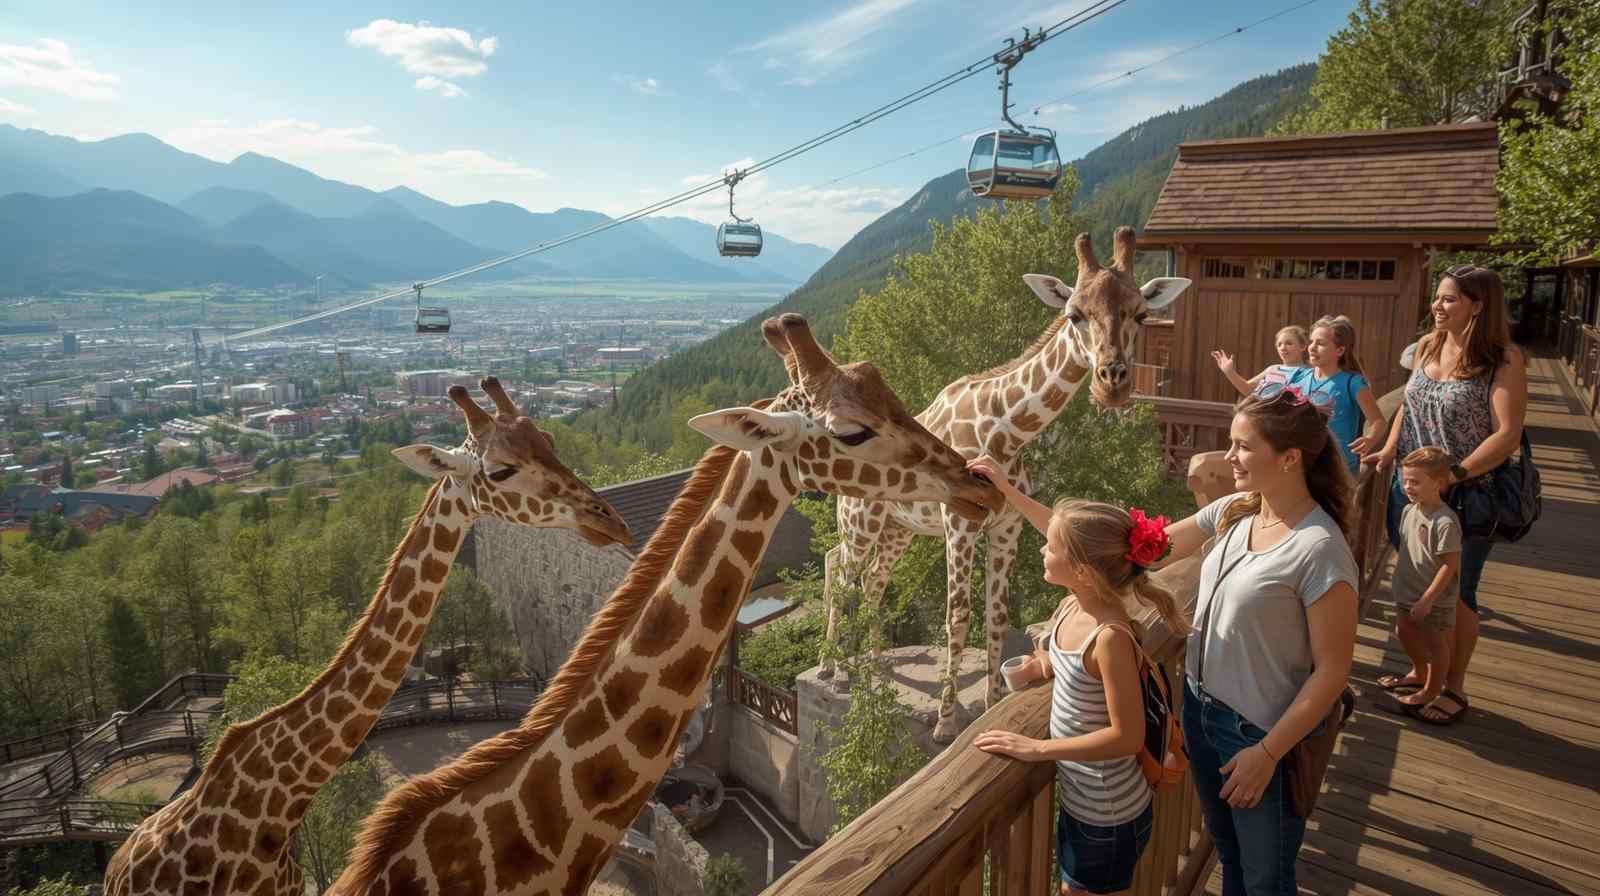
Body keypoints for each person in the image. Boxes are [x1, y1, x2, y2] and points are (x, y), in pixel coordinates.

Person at [1156, 385, 1359, 896]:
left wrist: (1267, 754)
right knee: (1231, 855)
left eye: (1243, 446)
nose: (1229, 456)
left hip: (1260, 736)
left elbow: (1333, 672)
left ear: (1290, 458)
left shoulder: (1320, 549)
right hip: (1201, 712)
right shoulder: (1237, 510)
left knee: (1266, 879)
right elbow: (1149, 549)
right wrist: (1055, 524)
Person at [963, 483, 1186, 896]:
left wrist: (1038, 749)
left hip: (1109, 814)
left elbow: (1127, 737)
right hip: (1084, 802)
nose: (1042, 550)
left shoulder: (1110, 637)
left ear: (1083, 571)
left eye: (1051, 547)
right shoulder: (1071, 606)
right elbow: (1069, 662)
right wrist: (1041, 665)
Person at [1366, 264, 1528, 726]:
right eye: (1437, 297)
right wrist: (1390, 449)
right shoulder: (1427, 346)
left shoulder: (1503, 359)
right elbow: (1409, 404)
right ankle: (1423, 673)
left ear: (1478, 305)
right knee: (1418, 583)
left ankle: (1454, 689)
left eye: (1449, 299)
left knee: (1458, 594)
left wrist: (1453, 475)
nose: (1436, 306)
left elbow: (1507, 434)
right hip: (1411, 493)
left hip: (1465, 496)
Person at [1380, 447, 1462, 720]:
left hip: (1433, 599)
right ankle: (1419, 672)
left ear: (1438, 484)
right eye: (1405, 481)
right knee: (1403, 631)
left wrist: (1428, 600)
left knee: (1436, 644)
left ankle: (1432, 690)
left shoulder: (1445, 521)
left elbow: (1450, 564)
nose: (1407, 487)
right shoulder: (1408, 511)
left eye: (1415, 482)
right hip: (1408, 592)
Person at [1281, 315, 1386, 475]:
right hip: (1300, 468)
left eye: (1321, 343)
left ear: (1340, 350)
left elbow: (1379, 421)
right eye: (1311, 341)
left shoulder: (1353, 383)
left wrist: (1370, 439)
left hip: (1338, 472)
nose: (1312, 347)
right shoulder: (1298, 377)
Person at [1211, 325, 1309, 397]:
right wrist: (1229, 372)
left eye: (1289, 343)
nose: (1282, 348)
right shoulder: (1272, 369)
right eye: (1279, 344)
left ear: (1303, 346)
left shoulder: (1310, 373)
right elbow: (1248, 389)